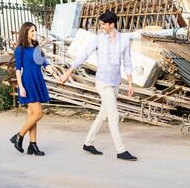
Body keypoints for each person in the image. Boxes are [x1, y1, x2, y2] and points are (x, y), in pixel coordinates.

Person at [59, 11, 138, 161]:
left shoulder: (124, 40)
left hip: (115, 82)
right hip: (102, 82)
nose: (100, 26)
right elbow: (82, 56)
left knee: (103, 114)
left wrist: (129, 82)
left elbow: (127, 62)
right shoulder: (97, 40)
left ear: (111, 24)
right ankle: (121, 151)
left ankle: (88, 143)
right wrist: (67, 73)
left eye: (103, 24)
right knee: (113, 116)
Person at [10, 22, 57, 156]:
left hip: (37, 80)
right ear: (25, 32)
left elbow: (44, 63)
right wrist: (21, 87)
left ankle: (33, 145)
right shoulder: (20, 49)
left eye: (34, 30)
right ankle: (19, 136)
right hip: (28, 82)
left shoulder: (36, 47)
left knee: (32, 116)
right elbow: (18, 69)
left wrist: (56, 75)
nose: (34, 33)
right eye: (31, 31)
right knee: (38, 113)